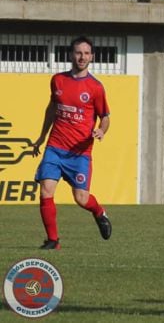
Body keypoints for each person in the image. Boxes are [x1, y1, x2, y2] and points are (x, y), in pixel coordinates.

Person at [31, 36, 112, 250]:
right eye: (78, 52)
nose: (82, 57)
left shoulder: (96, 87)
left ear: (92, 57)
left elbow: (105, 116)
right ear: (71, 55)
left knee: (81, 198)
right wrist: (41, 137)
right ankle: (53, 240)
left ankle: (99, 212)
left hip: (80, 153)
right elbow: (51, 110)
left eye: (86, 53)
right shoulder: (57, 80)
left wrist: (102, 131)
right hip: (55, 147)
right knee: (46, 190)